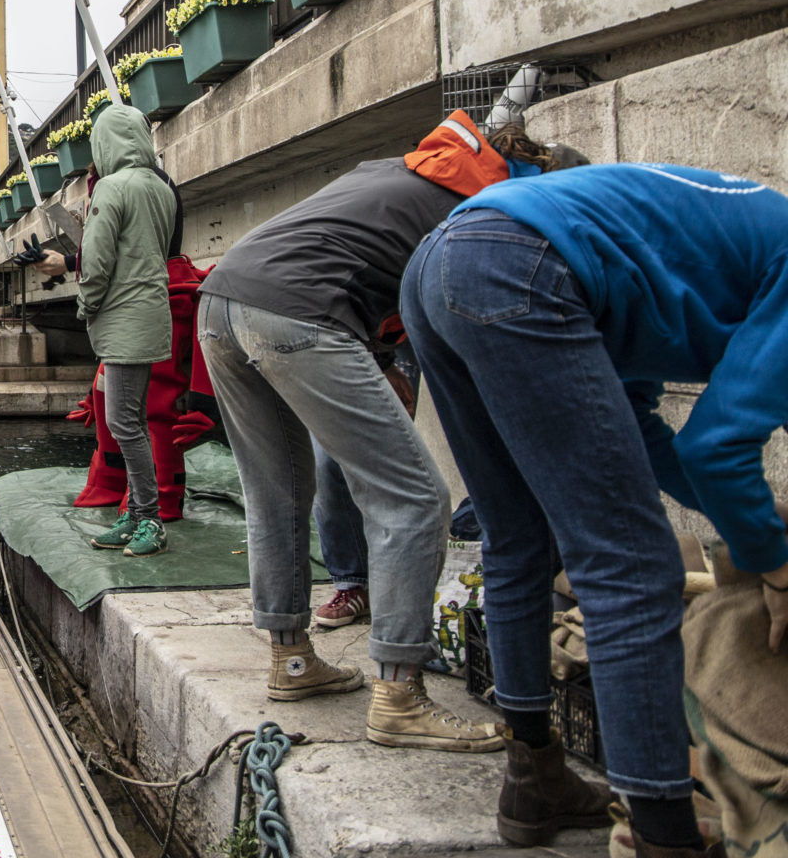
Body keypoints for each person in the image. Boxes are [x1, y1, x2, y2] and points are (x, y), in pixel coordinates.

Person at [403, 163, 788, 853]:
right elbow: (718, 448)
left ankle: (534, 777)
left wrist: (752, 531)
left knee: (518, 537)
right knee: (634, 570)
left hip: (442, 265)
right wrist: (773, 562)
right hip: (512, 262)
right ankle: (663, 837)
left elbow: (645, 429)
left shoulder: (707, 256)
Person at [196, 111, 580, 753]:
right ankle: (400, 697)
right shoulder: (497, 212)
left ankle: (291, 662)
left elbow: (354, 256)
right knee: (416, 499)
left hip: (223, 301)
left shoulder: (403, 172)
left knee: (279, 495)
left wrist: (379, 360)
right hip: (297, 313)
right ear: (543, 182)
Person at [70, 105, 179, 557]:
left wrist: (86, 303)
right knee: (132, 420)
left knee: (123, 423)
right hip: (153, 312)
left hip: (122, 319)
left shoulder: (111, 189)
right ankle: (135, 514)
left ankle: (148, 516)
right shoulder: (162, 188)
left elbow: (96, 260)